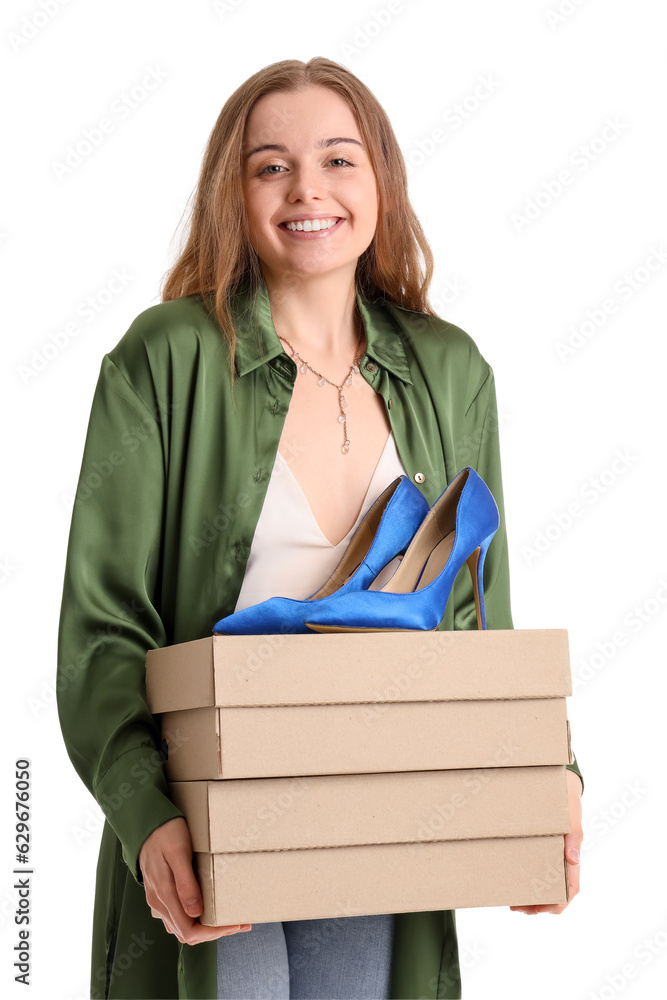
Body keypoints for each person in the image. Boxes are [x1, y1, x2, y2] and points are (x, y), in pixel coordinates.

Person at [56, 56, 584, 1000]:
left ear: (380, 179)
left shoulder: (450, 371)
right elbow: (102, 632)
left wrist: (548, 782)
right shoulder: (166, 358)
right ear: (236, 192)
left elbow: (478, 624)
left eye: (339, 159)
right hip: (212, 820)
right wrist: (147, 814)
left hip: (390, 812)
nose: (308, 189)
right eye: (271, 166)